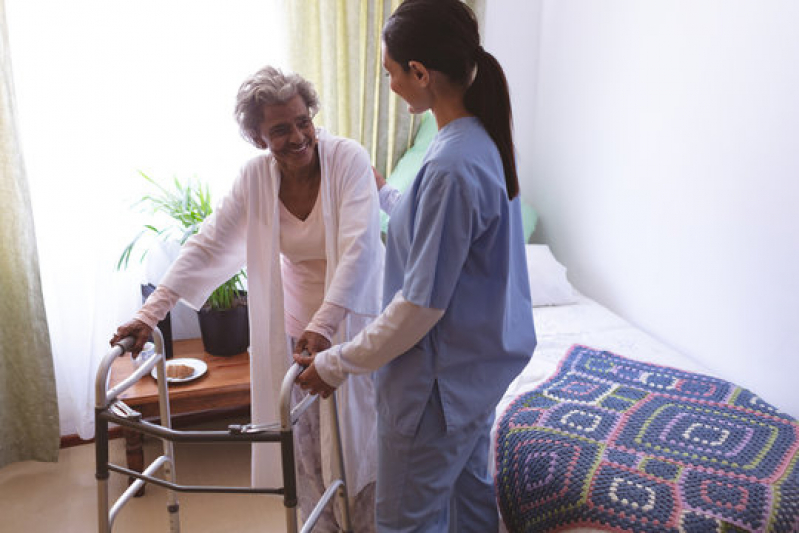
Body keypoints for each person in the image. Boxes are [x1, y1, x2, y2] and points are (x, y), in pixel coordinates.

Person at [295, 0, 537, 531]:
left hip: (436, 390)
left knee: (406, 521)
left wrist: (336, 363)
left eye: (390, 72)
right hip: (475, 377)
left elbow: (418, 307)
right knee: (470, 504)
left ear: (420, 73)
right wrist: (385, 194)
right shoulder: (477, 141)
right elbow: (441, 233)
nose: (390, 85)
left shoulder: (451, 164)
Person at [110, 65, 383, 532]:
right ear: (259, 138)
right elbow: (208, 244)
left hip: (353, 322)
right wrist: (148, 313)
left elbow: (358, 250)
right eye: (281, 129)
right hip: (296, 328)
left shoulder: (348, 160)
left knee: (355, 445)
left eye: (303, 121)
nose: (298, 136)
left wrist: (324, 327)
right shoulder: (255, 178)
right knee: (300, 442)